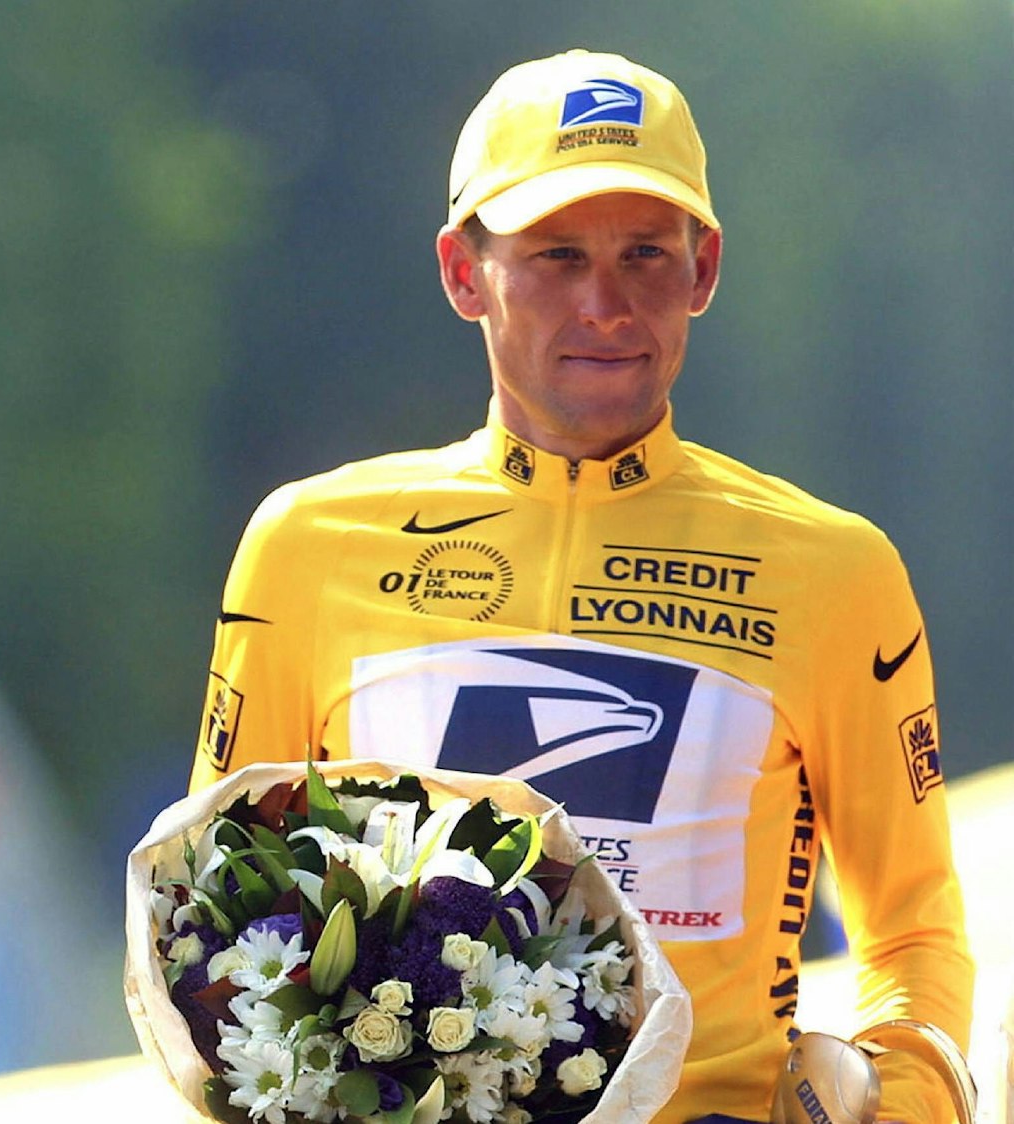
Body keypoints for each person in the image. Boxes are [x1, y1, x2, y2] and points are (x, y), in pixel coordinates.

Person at [191, 49, 971, 1123]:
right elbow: (218, 920)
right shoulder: (305, 544)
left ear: (703, 270)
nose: (605, 302)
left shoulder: (834, 568)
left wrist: (903, 1100)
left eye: (645, 254)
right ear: (464, 274)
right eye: (556, 255)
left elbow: (913, 928)